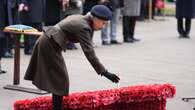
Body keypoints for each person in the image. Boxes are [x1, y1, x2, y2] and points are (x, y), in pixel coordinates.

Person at [24, 5, 120, 110]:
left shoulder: (82, 19)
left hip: (49, 41)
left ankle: (57, 107)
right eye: (103, 23)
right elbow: (89, 53)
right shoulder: (83, 26)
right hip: (49, 44)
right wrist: (105, 73)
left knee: (59, 80)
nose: (103, 26)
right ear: (95, 18)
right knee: (60, 80)